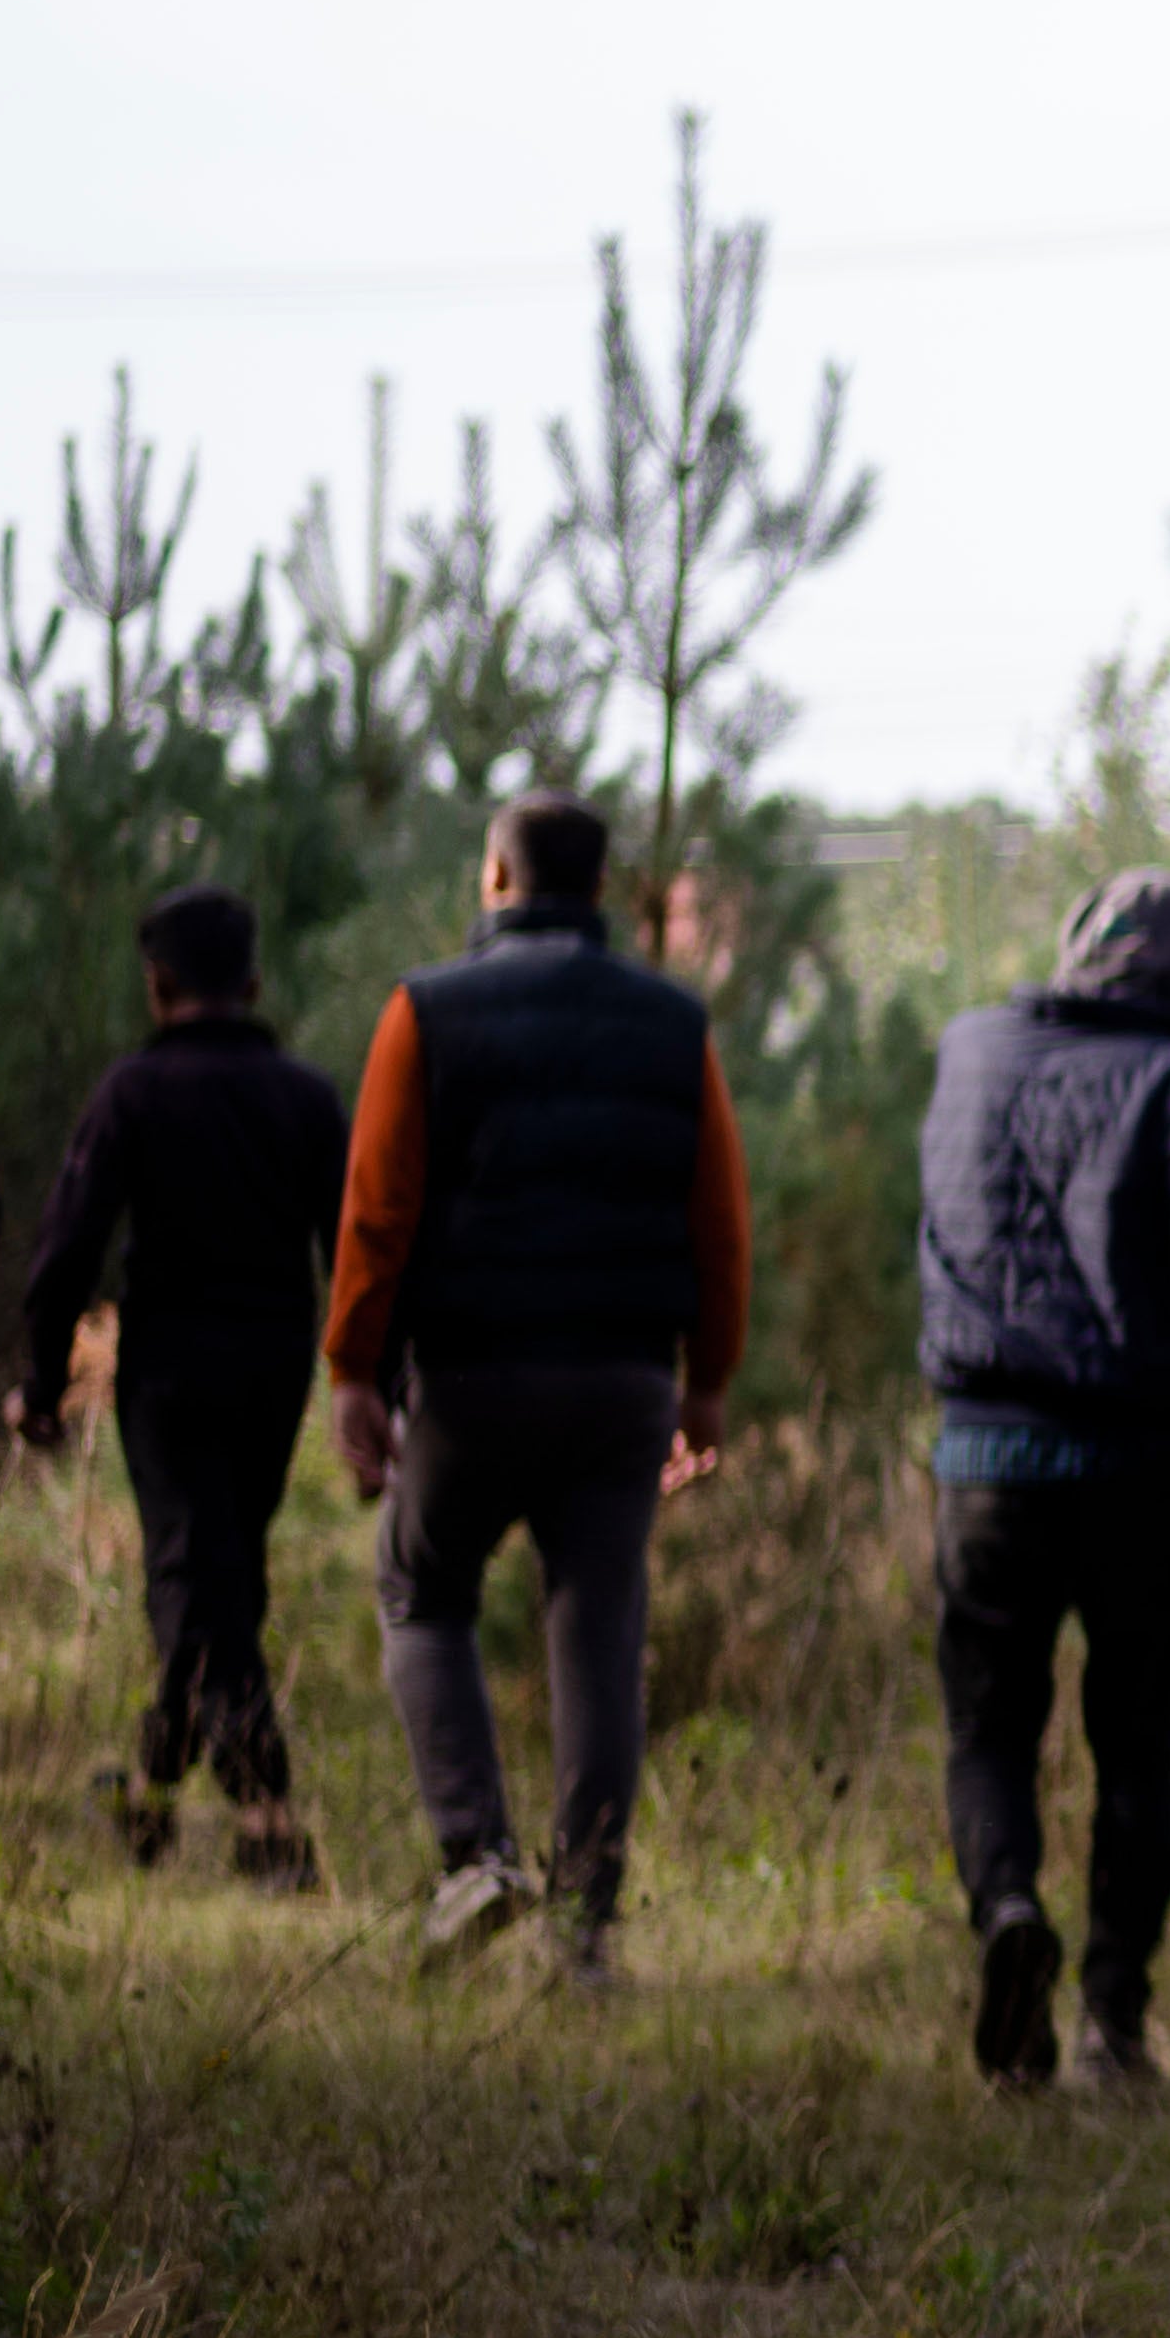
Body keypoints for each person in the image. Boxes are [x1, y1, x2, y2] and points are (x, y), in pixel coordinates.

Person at [326, 791, 752, 1971]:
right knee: (600, 1633)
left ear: (496, 880)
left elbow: (377, 1209)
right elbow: (719, 1221)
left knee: (421, 1587)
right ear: (603, 890)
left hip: (472, 1374)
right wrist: (706, 1381)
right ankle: (586, 1932)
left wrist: (354, 1367)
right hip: (623, 1384)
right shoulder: (676, 1025)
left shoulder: (426, 1010)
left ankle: (477, 1859)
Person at [918, 865, 1170, 2092]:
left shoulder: (971, 1052)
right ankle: (1114, 2020)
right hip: (1133, 1463)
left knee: (989, 1727)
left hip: (984, 1453)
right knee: (1131, 1743)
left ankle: (1007, 1908)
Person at [11, 883, 354, 1882]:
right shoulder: (305, 1095)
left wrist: (40, 1378)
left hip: (166, 1372)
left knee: (190, 1579)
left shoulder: (133, 1093)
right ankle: (155, 1793)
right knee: (223, 1575)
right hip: (273, 1366)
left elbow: (67, 1245)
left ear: (157, 986)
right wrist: (368, 1374)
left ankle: (271, 1827)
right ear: (251, 983)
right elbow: (353, 1245)